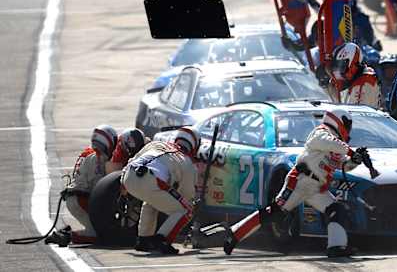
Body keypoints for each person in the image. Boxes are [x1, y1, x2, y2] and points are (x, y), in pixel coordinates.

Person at [224, 110, 363, 257]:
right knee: (275, 213)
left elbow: (344, 166)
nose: (348, 129)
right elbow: (327, 142)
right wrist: (351, 152)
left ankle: (336, 247)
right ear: (339, 121)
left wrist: (355, 160)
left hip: (316, 188)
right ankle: (234, 233)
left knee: (336, 210)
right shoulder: (322, 132)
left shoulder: (338, 146)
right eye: (347, 125)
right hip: (300, 181)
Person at [121, 127, 199, 255]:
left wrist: (123, 184)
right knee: (187, 210)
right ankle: (163, 240)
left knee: (153, 199)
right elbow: (186, 195)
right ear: (194, 145)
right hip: (151, 180)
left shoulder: (156, 144)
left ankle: (143, 240)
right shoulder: (187, 162)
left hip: (129, 177)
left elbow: (132, 161)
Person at [45, 125, 118, 246]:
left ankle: (67, 233)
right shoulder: (99, 161)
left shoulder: (95, 157)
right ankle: (66, 236)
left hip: (79, 197)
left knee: (104, 230)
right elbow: (102, 189)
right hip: (80, 199)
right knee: (99, 234)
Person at [330, 42, 381, 108]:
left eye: (342, 66)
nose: (339, 71)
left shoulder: (365, 81)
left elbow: (356, 113)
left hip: (364, 117)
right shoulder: (353, 78)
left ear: (352, 62)